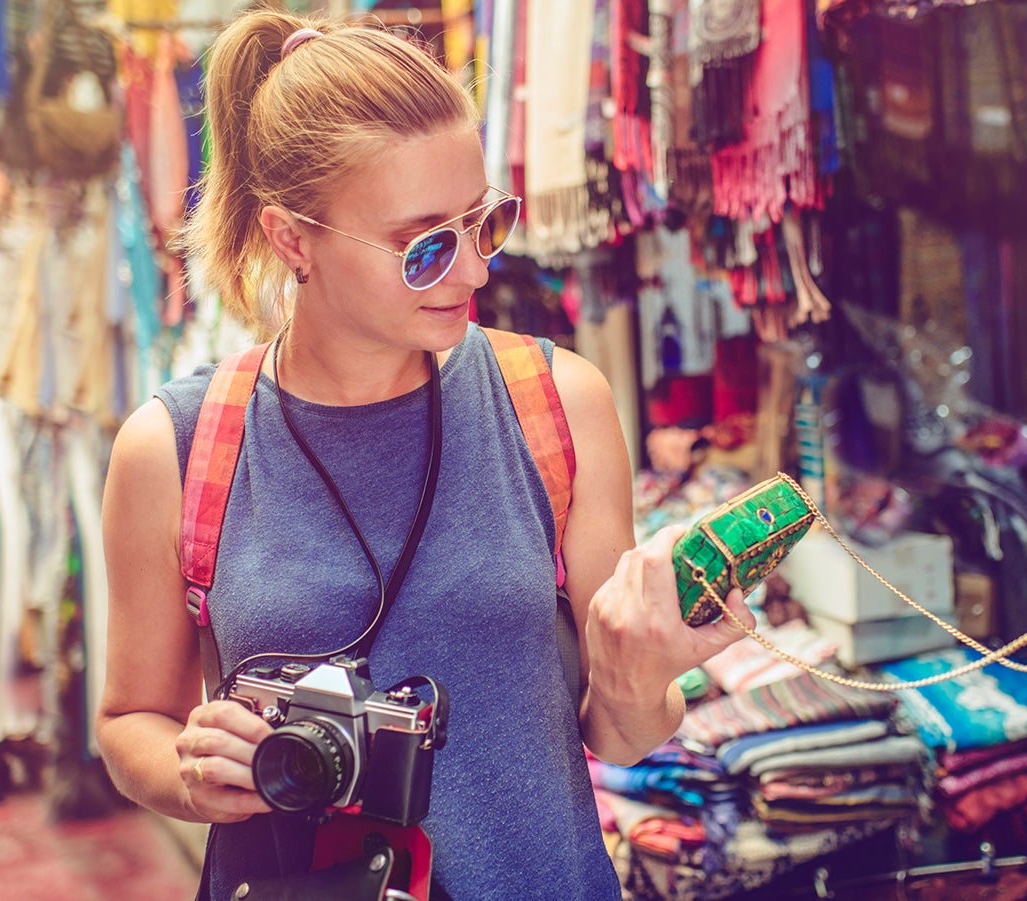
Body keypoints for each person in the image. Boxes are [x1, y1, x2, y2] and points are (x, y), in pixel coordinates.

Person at [94, 9, 755, 900]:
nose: (475, 274)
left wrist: (642, 676)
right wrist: (195, 773)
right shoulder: (178, 447)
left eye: (485, 224)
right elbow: (130, 718)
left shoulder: (554, 401)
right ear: (294, 238)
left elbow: (618, 731)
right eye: (425, 247)